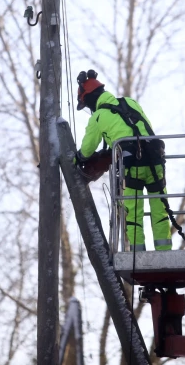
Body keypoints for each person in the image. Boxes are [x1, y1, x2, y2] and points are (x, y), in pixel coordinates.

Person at [74, 69, 172, 252]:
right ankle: (165, 251)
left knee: (134, 212)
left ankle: (138, 254)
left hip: (132, 166)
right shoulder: (130, 102)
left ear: (89, 99)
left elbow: (86, 151)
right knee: (160, 209)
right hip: (155, 160)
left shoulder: (98, 117)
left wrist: (77, 158)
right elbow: (142, 128)